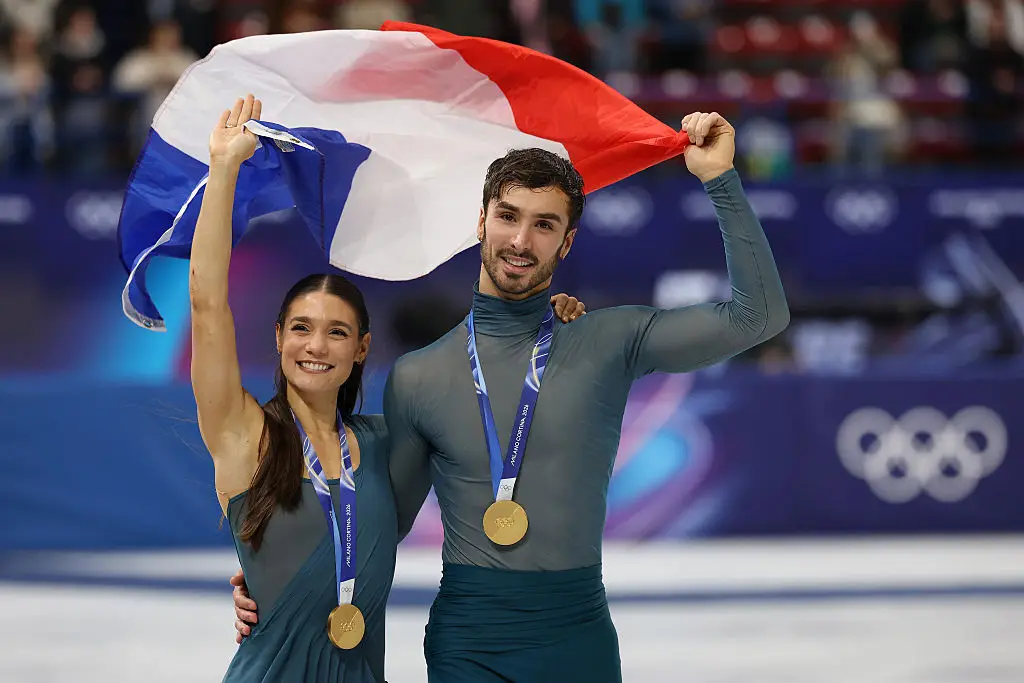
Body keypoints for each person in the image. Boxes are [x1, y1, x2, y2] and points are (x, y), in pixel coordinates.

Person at [235, 110, 789, 682]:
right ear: (481, 222)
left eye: (545, 225)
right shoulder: (420, 377)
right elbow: (380, 524)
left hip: (578, 639)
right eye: (508, 217)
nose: (521, 241)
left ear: (567, 241)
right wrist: (274, 578)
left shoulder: (607, 341)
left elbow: (759, 317)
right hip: (468, 643)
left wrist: (719, 181)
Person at [195, 94, 586, 683]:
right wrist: (224, 170)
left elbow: (480, 380)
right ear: (278, 339)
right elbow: (206, 307)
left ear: (360, 349)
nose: (315, 346)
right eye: (300, 328)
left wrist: (544, 315)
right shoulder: (242, 435)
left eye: (336, 332)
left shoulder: (386, 445)